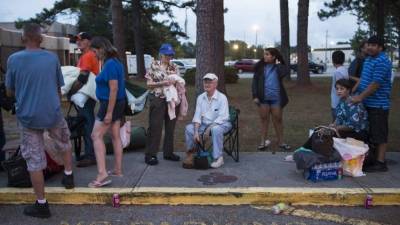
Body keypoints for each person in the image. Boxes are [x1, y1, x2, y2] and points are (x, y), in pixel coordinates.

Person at [5, 23, 74, 218]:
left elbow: (10, 90)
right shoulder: (52, 59)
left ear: (23, 38)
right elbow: (59, 87)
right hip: (52, 113)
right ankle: (68, 176)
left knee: (34, 160)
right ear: (41, 39)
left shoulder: (13, 60)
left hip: (28, 117)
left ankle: (42, 204)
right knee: (64, 142)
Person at [88, 37, 126, 187]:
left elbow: (114, 88)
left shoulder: (110, 64)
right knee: (115, 135)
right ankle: (117, 170)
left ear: (101, 49)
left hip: (110, 104)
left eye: (94, 51)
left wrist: (109, 113)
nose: (94, 54)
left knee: (95, 135)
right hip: (118, 103)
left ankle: (102, 173)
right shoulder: (116, 61)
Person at [351, 36, 393, 172]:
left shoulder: (382, 61)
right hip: (367, 103)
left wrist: (359, 97)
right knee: (370, 133)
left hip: (378, 105)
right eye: (369, 44)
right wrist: (354, 90)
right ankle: (373, 159)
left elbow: (375, 84)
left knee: (379, 134)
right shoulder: (368, 59)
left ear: (380, 48)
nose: (370, 47)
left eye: (374, 45)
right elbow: (364, 78)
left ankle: (381, 163)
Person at [183, 73, 231, 169]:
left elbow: (223, 117)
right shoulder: (201, 97)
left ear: (215, 84)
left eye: (210, 82)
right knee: (189, 128)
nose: (207, 84)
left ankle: (218, 158)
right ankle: (191, 153)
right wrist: (196, 131)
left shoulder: (222, 97)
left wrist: (210, 128)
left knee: (216, 129)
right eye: (205, 82)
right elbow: (197, 116)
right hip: (204, 125)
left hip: (222, 124)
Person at [144, 43, 181, 165]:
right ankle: (150, 155)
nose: (169, 57)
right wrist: (163, 83)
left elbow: (178, 83)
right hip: (157, 99)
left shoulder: (174, 67)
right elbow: (149, 84)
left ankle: (168, 153)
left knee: (170, 127)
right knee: (155, 127)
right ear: (161, 54)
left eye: (171, 55)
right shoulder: (153, 66)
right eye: (167, 55)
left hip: (171, 100)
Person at [252, 48, 290, 151]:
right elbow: (254, 82)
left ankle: (281, 142)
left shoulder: (278, 68)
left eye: (267, 54)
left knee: (278, 120)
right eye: (264, 54)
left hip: (276, 98)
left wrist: (279, 63)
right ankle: (262, 142)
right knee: (264, 120)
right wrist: (255, 96)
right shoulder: (260, 68)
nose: (265, 56)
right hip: (263, 98)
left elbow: (286, 71)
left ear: (273, 57)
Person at [72, 32, 100, 167]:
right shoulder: (88, 55)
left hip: (86, 94)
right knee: (87, 122)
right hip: (88, 94)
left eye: (81, 40)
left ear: (89, 41)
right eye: (77, 40)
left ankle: (91, 155)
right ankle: (90, 152)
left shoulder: (88, 56)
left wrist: (71, 91)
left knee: (88, 123)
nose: (78, 42)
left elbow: (83, 77)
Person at [330, 50, 349, 121]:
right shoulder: (344, 69)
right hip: (340, 102)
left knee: (336, 124)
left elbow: (340, 88)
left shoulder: (337, 72)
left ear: (333, 60)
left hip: (337, 103)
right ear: (343, 60)